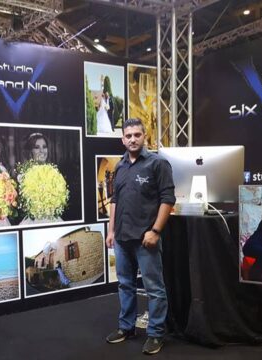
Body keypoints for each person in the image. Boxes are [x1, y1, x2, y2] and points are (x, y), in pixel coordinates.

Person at [105, 118, 175, 355]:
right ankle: (127, 327)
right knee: (125, 285)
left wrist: (155, 231)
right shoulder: (120, 166)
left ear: (145, 136)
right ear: (122, 139)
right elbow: (114, 200)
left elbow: (168, 199)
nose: (132, 139)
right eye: (128, 136)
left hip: (146, 239)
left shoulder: (158, 164)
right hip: (122, 239)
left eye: (137, 134)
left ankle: (156, 334)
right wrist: (111, 230)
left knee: (154, 288)